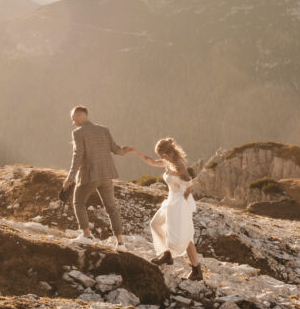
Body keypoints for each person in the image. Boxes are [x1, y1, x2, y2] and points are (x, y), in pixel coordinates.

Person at [128, 137, 203, 281]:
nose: (159, 157)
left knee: (185, 237)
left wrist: (183, 201)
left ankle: (196, 270)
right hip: (171, 200)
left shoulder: (179, 165)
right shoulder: (167, 161)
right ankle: (167, 254)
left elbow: (190, 185)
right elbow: (151, 162)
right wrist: (136, 152)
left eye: (160, 154)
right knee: (155, 224)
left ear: (167, 152)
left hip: (180, 202)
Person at [62, 105, 129, 250]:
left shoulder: (78, 133)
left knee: (78, 202)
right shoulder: (104, 130)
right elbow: (117, 150)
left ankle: (86, 235)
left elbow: (77, 157)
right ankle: (121, 242)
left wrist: (70, 178)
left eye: (73, 118)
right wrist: (126, 150)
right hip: (107, 175)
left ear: (80, 115)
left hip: (90, 175)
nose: (72, 122)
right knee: (111, 208)